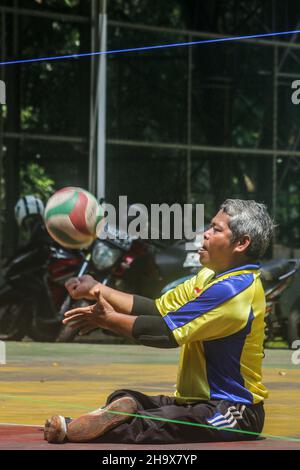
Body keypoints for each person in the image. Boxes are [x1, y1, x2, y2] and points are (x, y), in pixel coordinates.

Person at [44, 199, 274, 445]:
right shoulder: (210, 277)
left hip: (235, 410)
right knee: (126, 396)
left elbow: (165, 333)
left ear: (242, 243)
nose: (205, 234)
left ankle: (77, 428)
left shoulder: (234, 289)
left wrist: (108, 320)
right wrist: (97, 288)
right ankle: (121, 412)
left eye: (216, 229)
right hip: (193, 400)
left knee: (160, 423)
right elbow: (157, 309)